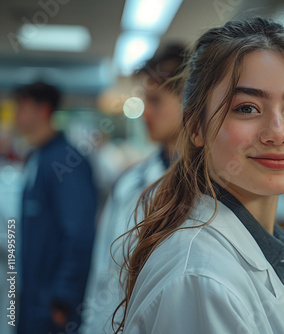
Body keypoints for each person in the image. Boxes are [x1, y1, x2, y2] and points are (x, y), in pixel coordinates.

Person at [115, 17, 284, 334]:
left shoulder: (274, 263)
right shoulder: (201, 281)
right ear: (196, 127)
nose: (278, 133)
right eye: (247, 108)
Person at [80, 43, 186, 334]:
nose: (145, 114)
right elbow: (103, 274)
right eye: (144, 101)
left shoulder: (217, 189)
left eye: (155, 101)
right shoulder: (130, 185)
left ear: (189, 101)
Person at [14, 82, 97, 333]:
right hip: (33, 297)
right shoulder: (38, 157)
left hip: (51, 306)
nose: (16, 113)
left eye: (22, 107)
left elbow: (79, 233)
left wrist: (63, 298)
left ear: (43, 110)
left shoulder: (65, 161)